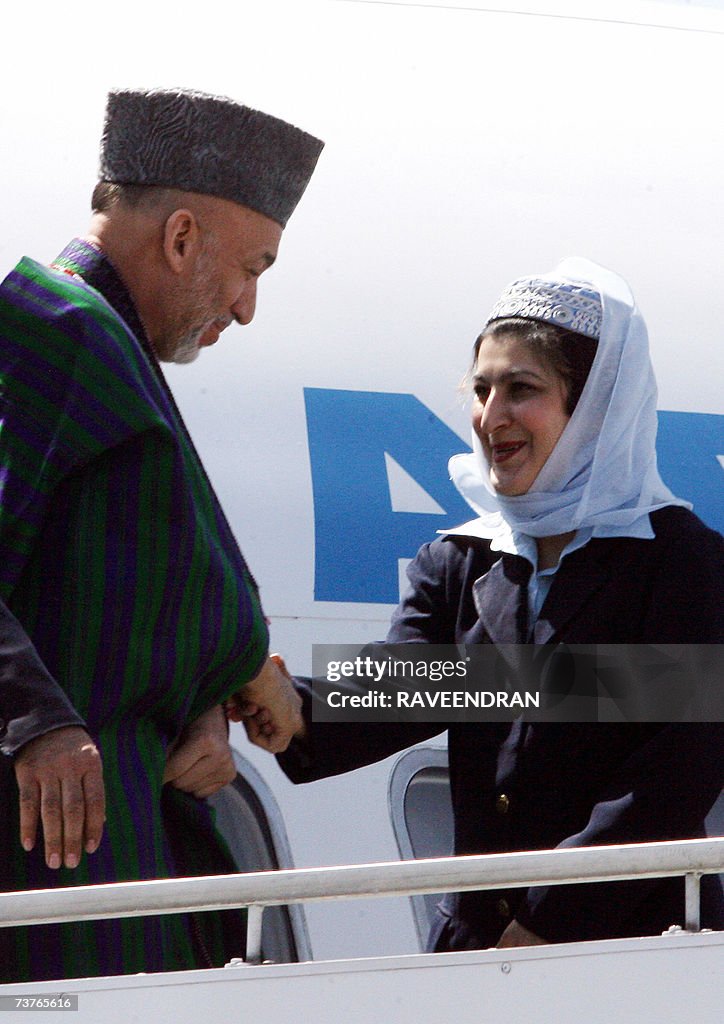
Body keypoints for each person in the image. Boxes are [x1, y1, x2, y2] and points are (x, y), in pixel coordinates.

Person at [244, 258, 723, 951]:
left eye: (521, 389)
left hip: (631, 951)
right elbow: (411, 686)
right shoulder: (465, 559)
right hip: (482, 950)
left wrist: (545, 922)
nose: (490, 416)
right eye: (481, 388)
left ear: (593, 407)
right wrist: (289, 706)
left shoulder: (677, 559)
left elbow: (673, 775)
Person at [0, 87, 320, 981]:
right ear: (180, 238)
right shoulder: (57, 330)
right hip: (63, 879)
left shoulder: (101, 344)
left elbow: (110, 590)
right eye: (251, 267)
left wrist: (210, 698)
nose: (249, 307)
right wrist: (38, 723)